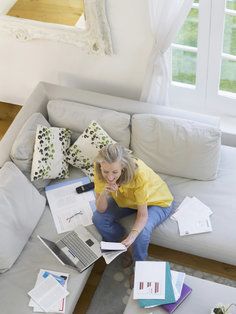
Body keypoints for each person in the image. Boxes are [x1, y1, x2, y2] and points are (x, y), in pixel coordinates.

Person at [92, 143, 174, 285]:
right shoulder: (100, 168)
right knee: (98, 218)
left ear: (123, 168)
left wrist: (132, 236)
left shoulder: (138, 175)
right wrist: (104, 193)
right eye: (106, 172)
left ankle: (140, 267)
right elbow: (101, 209)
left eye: (115, 172)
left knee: (142, 233)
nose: (110, 177)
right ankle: (128, 249)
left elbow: (142, 216)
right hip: (129, 202)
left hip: (156, 202)